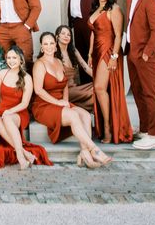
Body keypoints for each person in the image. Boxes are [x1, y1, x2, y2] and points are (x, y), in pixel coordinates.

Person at [31, 31, 112, 168]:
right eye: (46, 44)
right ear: (41, 47)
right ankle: (94, 150)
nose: (49, 46)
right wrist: (58, 103)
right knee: (74, 115)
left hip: (61, 103)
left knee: (85, 115)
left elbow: (65, 86)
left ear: (56, 46)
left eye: (51, 43)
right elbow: (38, 90)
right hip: (44, 105)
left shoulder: (58, 62)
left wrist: (66, 102)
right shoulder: (39, 64)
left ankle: (84, 152)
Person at [0, 45, 52, 169]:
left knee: (7, 118)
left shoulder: (27, 78)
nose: (11, 60)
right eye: (8, 58)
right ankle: (25, 153)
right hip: (3, 110)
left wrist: (10, 111)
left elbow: (25, 103)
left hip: (19, 112)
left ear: (21, 59)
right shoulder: (2, 74)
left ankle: (20, 156)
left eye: (14, 57)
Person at [87, 0, 133, 144]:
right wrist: (90, 53)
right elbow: (93, 32)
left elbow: (119, 35)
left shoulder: (114, 9)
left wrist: (114, 57)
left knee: (99, 88)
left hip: (109, 51)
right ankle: (105, 126)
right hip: (97, 52)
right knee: (100, 88)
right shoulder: (95, 9)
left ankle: (108, 127)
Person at [124, 0, 155, 150]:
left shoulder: (150, 1)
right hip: (132, 54)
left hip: (146, 57)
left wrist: (146, 53)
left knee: (151, 95)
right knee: (139, 94)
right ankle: (146, 130)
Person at [54, 24, 93, 112]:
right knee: (93, 93)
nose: (66, 36)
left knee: (98, 87)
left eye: (68, 34)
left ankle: (77, 107)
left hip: (76, 88)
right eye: (63, 33)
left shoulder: (73, 51)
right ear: (57, 37)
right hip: (64, 90)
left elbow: (86, 67)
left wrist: (100, 79)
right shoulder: (54, 52)